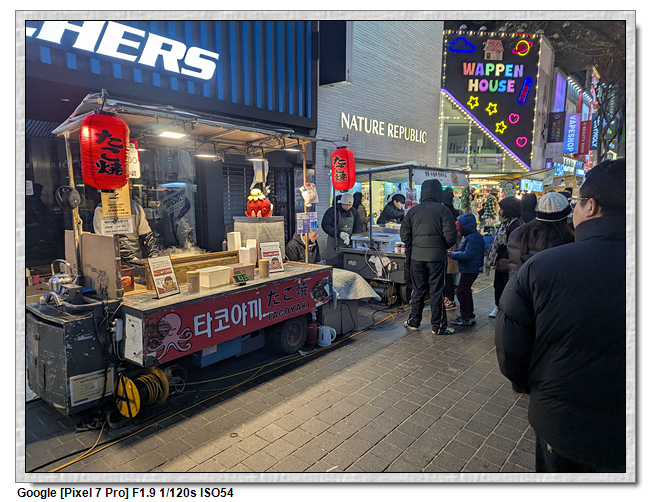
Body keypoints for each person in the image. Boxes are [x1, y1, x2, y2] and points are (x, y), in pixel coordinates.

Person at [495, 159, 625, 472]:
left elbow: (511, 346)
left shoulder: (540, 266)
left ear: (591, 206)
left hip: (561, 422)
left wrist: (531, 385)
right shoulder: (559, 244)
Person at [400, 179, 457, 335]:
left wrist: (414, 245)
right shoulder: (443, 210)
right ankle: (438, 327)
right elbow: (451, 237)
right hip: (437, 258)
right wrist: (441, 245)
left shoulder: (413, 211)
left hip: (416, 257)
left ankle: (413, 322)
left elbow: (404, 234)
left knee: (418, 290)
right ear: (439, 192)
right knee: (436, 291)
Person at [507, 192, 574, 279]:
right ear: (566, 217)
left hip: (521, 283)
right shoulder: (568, 238)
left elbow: (514, 267)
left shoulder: (519, 233)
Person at [93, 184, 160, 264]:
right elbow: (106, 240)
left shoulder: (136, 207)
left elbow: (146, 234)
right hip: (113, 261)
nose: (130, 188)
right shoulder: (101, 209)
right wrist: (130, 258)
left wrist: (154, 254)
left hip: (137, 259)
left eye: (130, 186)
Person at [485, 196, 523, 318]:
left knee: (505, 285)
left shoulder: (516, 225)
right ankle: (498, 306)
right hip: (501, 261)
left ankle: (502, 307)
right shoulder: (505, 224)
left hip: (509, 262)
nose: (500, 211)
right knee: (498, 285)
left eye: (502, 209)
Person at [448, 213, 484, 327]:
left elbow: (468, 255)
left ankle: (466, 317)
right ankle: (468, 315)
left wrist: (452, 255)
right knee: (466, 290)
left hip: (470, 268)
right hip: (469, 268)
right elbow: (465, 250)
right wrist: (455, 251)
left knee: (461, 291)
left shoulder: (472, 237)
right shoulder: (469, 236)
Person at [321, 192, 363, 268]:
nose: (347, 207)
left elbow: (358, 226)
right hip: (334, 246)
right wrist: (339, 233)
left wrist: (355, 238)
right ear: (341, 203)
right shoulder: (332, 211)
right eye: (345, 205)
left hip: (348, 246)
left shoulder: (354, 212)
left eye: (349, 205)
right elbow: (326, 225)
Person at [442, 187, 461, 311]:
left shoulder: (444, 213)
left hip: (447, 248)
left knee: (446, 275)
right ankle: (450, 299)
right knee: (450, 276)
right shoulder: (457, 213)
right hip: (454, 247)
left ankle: (449, 300)